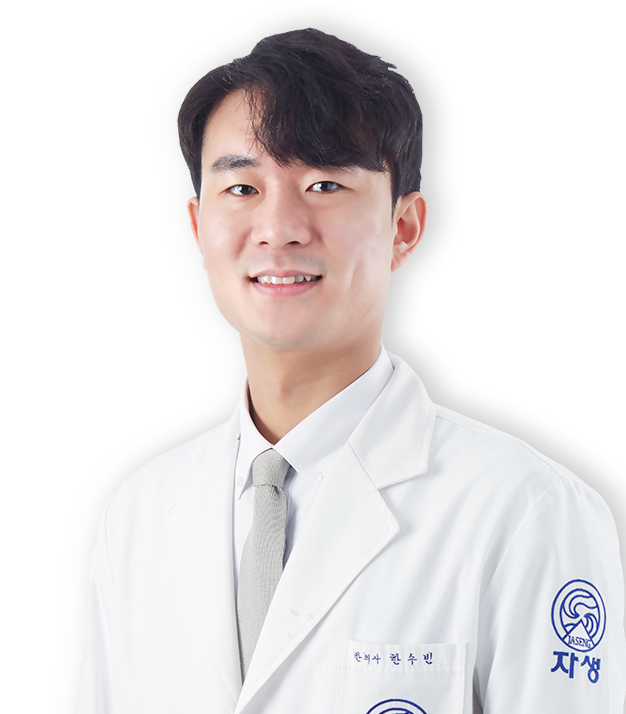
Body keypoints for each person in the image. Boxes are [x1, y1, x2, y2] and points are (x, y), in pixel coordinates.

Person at [77, 28, 626, 714]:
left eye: (325, 183)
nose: (279, 227)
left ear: (404, 227)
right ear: (198, 226)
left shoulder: (526, 511)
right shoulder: (136, 518)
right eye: (242, 187)